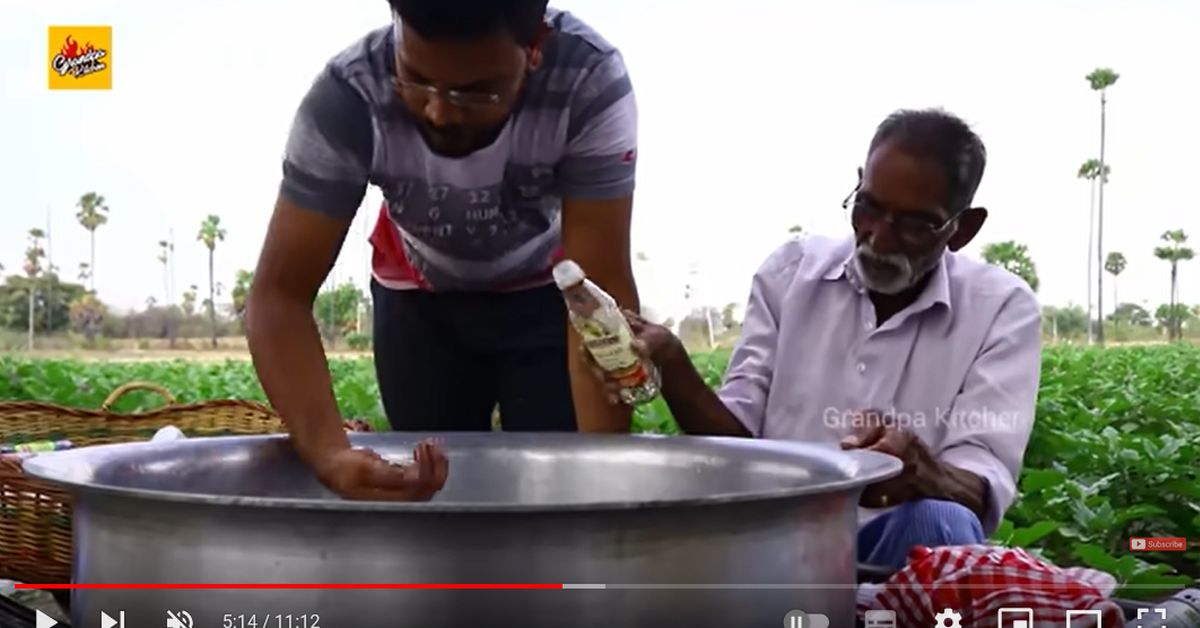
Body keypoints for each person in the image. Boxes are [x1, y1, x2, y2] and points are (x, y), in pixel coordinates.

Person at [590, 109, 1043, 569]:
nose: (879, 239)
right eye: (868, 207)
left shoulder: (1001, 308)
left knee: (941, 522)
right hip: (773, 541)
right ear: (859, 184)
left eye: (914, 224)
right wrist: (675, 370)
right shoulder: (790, 274)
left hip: (901, 543)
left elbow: (980, 479)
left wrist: (925, 473)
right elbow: (735, 445)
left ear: (962, 229)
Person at [246, 0, 641, 500]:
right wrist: (330, 453)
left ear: (535, 49)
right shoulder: (350, 93)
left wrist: (603, 485)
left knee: (564, 483)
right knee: (432, 496)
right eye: (416, 79)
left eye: (474, 92)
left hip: (549, 297)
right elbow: (278, 297)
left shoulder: (588, 81)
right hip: (418, 299)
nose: (440, 109)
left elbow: (598, 284)